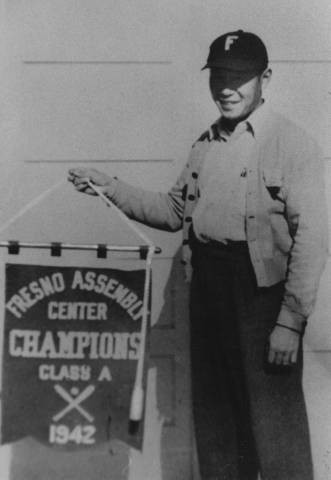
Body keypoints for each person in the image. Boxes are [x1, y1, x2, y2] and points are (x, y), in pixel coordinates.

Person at [68, 30, 328, 480]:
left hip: (262, 300)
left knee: (276, 437)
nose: (226, 87)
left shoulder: (294, 144)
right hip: (208, 290)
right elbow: (173, 212)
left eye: (239, 77)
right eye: (219, 76)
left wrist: (290, 321)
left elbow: (314, 237)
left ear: (265, 78)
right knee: (217, 432)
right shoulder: (205, 145)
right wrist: (108, 187)